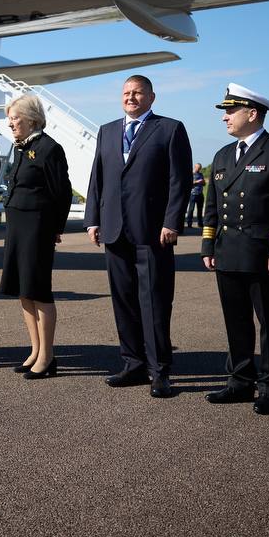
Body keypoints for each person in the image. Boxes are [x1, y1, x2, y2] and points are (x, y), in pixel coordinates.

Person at [200, 83, 269, 415]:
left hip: (262, 254)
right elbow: (212, 206)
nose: (225, 118)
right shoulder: (221, 155)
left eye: (231, 111)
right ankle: (239, 381)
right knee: (236, 320)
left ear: (252, 113)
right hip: (227, 250)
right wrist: (207, 243)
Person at [85, 75, 192, 399]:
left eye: (138, 92)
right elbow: (97, 179)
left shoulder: (170, 129)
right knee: (124, 302)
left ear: (152, 97)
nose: (131, 97)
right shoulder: (107, 130)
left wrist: (172, 222)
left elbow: (179, 181)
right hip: (114, 230)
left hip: (152, 232)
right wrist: (92, 221)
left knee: (155, 303)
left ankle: (159, 371)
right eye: (126, 93)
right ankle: (132, 364)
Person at [0, 95, 72, 379]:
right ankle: (35, 349)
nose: (10, 123)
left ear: (31, 118)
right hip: (17, 226)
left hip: (37, 228)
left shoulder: (48, 148)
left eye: (15, 118)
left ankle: (48, 356)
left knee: (39, 291)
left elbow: (62, 192)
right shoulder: (21, 148)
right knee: (24, 291)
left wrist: (56, 228)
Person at [186, 163, 205, 228]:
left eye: (200, 168)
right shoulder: (190, 174)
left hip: (200, 194)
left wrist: (203, 182)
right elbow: (189, 183)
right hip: (193, 194)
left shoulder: (200, 174)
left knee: (200, 210)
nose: (199, 169)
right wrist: (197, 182)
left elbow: (204, 184)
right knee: (191, 210)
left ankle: (200, 223)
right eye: (198, 168)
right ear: (195, 167)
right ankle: (189, 223)